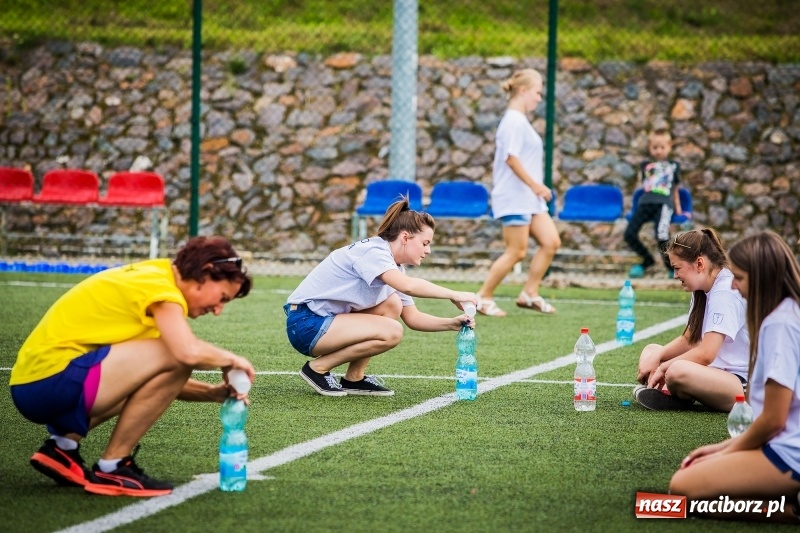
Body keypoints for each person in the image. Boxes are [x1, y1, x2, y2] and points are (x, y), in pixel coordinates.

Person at [10, 236, 255, 497]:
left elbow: (147, 378)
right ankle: (113, 467)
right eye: (222, 298)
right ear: (205, 273)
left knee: (171, 355)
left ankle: (61, 449)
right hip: (51, 383)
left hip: (36, 384)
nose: (218, 310)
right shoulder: (161, 289)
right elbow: (186, 353)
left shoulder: (156, 276)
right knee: (175, 353)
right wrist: (233, 359)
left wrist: (212, 393)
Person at [285, 196, 477, 397]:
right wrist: (453, 294)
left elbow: (414, 318)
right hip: (305, 325)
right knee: (392, 331)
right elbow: (409, 286)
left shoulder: (394, 268)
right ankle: (318, 368)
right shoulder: (374, 252)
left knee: (392, 304)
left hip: (322, 323)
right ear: (405, 238)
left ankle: (354, 379)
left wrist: (452, 323)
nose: (428, 250)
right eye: (425, 243)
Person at [669, 231, 800, 523]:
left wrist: (722, 452)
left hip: (790, 452)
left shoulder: (781, 324)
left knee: (682, 488)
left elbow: (773, 420)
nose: (734, 286)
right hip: (782, 443)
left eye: (739, 278)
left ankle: (792, 508)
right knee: (690, 479)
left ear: (762, 276)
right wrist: (721, 448)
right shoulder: (781, 315)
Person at [475, 68, 561, 317]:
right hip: (514, 196)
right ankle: (483, 297)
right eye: (537, 92)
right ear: (523, 91)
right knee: (517, 251)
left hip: (529, 199)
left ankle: (529, 293)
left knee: (551, 242)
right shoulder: (512, 120)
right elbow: (511, 159)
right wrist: (536, 185)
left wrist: (534, 190)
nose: (539, 98)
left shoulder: (520, 120)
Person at [634, 228, 749, 411]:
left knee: (676, 370)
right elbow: (690, 339)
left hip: (740, 383)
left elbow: (706, 354)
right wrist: (658, 357)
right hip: (713, 373)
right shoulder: (702, 287)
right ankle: (680, 394)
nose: (675, 275)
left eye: (677, 268)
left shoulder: (726, 291)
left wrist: (663, 369)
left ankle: (676, 391)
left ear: (700, 264)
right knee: (651, 350)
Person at [624, 128, 685, 279]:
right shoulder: (645, 165)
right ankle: (647, 260)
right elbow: (642, 186)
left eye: (662, 147)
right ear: (649, 148)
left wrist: (678, 208)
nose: (658, 151)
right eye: (655, 147)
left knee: (662, 236)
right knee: (629, 234)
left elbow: (675, 188)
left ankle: (671, 268)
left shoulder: (674, 166)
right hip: (645, 203)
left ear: (669, 147)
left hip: (664, 204)